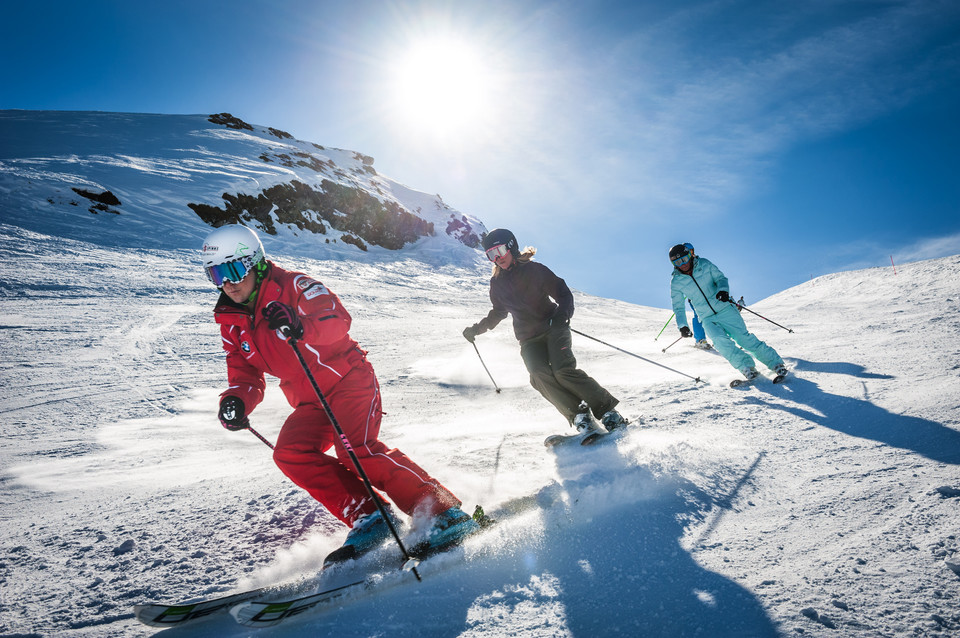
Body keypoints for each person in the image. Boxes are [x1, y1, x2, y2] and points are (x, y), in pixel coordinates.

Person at [202, 224, 478, 560]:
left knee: (356, 450)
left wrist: (301, 326)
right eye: (216, 275)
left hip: (349, 381)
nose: (227, 284)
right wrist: (236, 400)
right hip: (309, 400)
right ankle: (371, 516)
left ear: (256, 262)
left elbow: (337, 320)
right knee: (290, 452)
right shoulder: (231, 320)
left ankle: (445, 513)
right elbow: (244, 370)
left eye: (232, 270)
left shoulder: (294, 286)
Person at [462, 228, 628, 439]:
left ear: (511, 246)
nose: (498, 258)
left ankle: (609, 413)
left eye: (500, 251)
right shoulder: (497, 284)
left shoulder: (534, 270)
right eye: (491, 255)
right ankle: (580, 417)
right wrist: (477, 329)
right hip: (528, 339)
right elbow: (498, 312)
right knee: (538, 375)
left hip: (553, 327)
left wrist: (562, 316)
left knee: (562, 371)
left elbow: (563, 293)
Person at [668, 243, 787, 381]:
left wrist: (723, 290)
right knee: (720, 343)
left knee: (744, 339)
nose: (682, 264)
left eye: (684, 259)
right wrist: (682, 325)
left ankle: (776, 364)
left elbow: (721, 279)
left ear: (690, 256)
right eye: (677, 262)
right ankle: (746, 367)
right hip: (706, 317)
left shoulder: (704, 264)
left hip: (724, 308)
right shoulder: (676, 282)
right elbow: (678, 307)